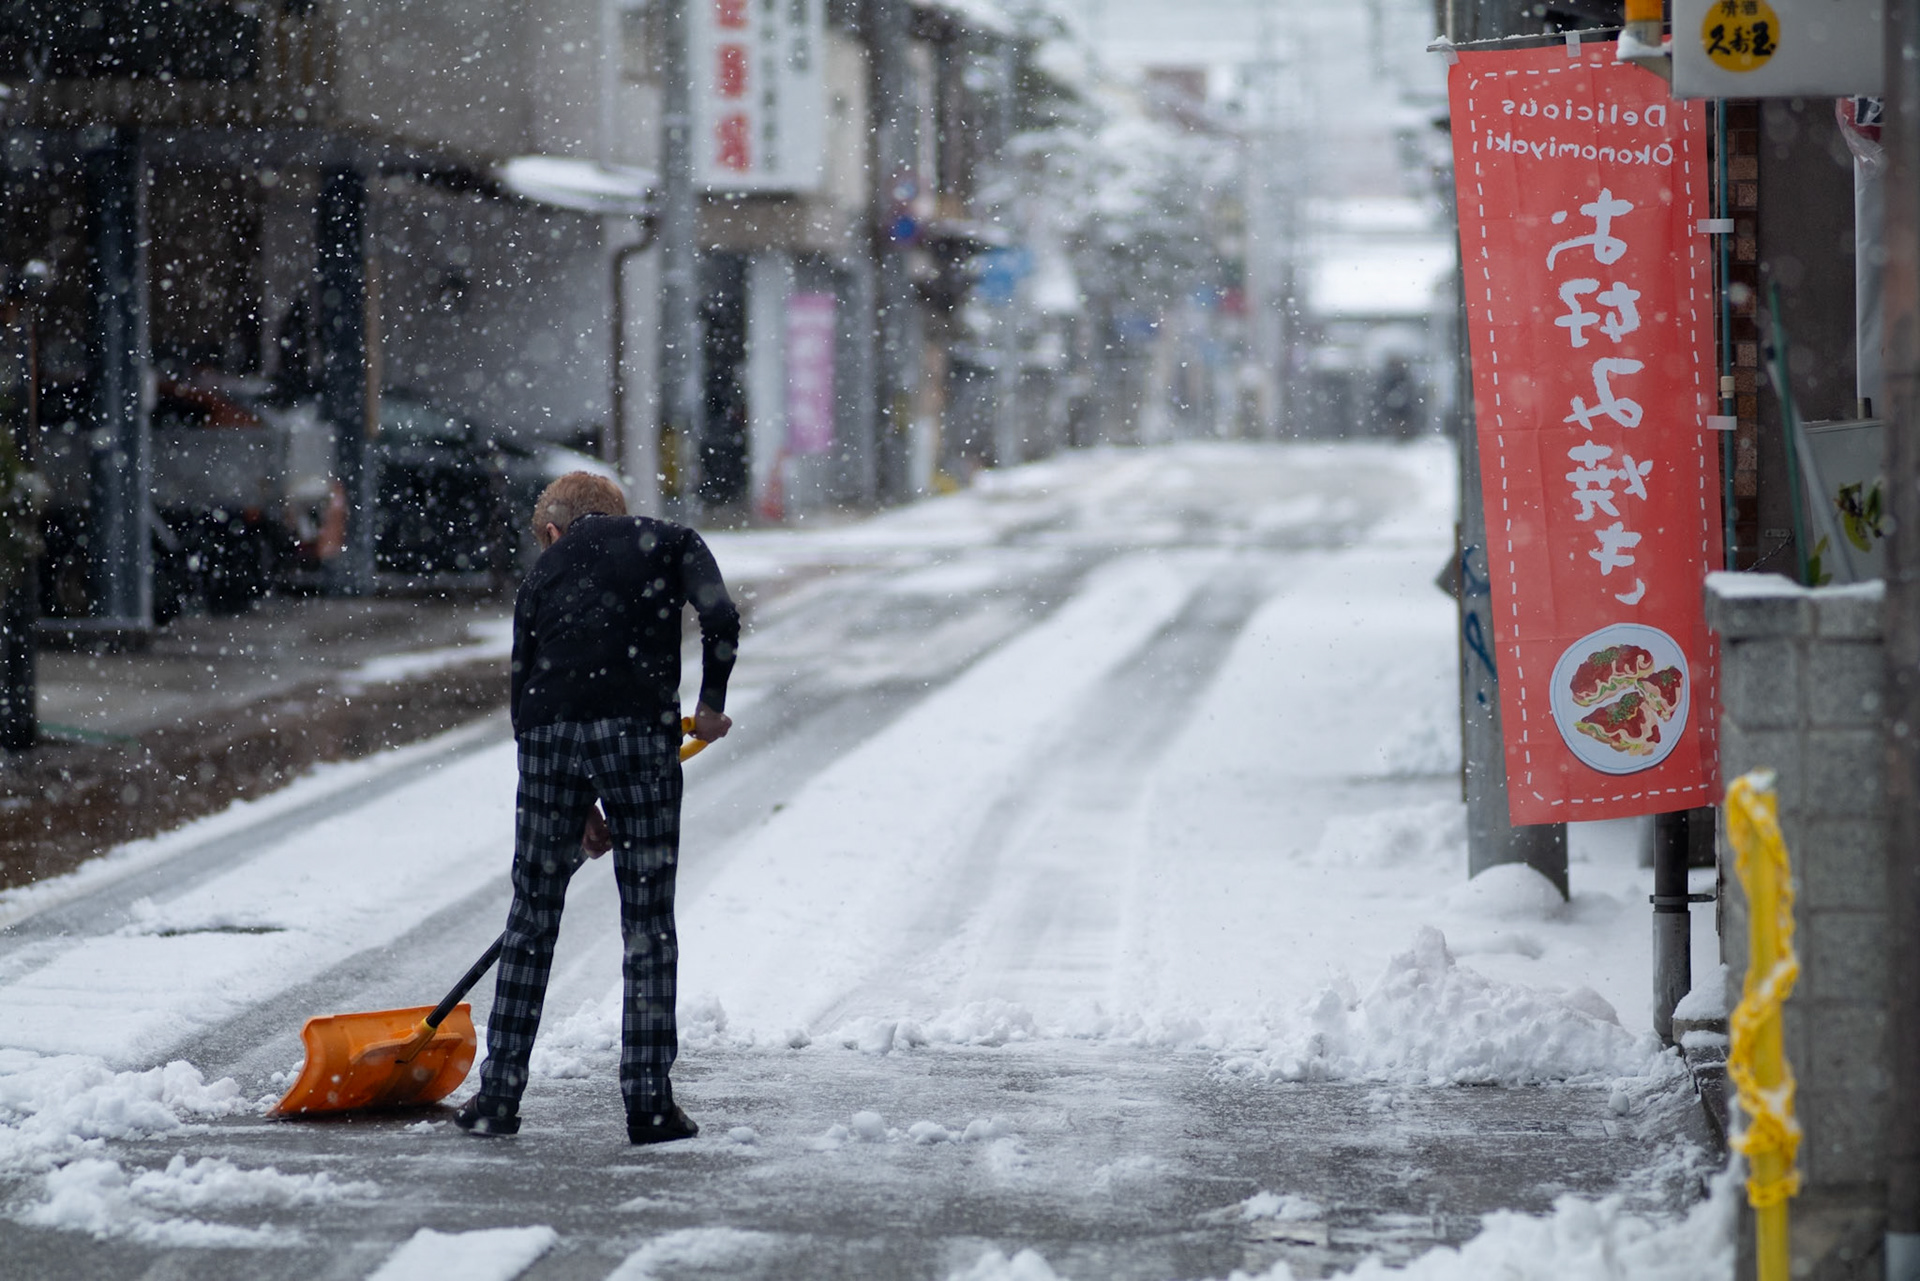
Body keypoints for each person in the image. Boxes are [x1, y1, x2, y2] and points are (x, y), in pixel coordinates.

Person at [456, 472, 739, 1144]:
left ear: (553, 528)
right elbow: (721, 616)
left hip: (549, 739)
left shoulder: (541, 574)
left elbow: (524, 687)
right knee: (647, 922)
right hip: (640, 736)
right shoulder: (667, 541)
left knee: (532, 917)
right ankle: (648, 1104)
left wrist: (572, 796)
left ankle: (498, 1097)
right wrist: (711, 704)